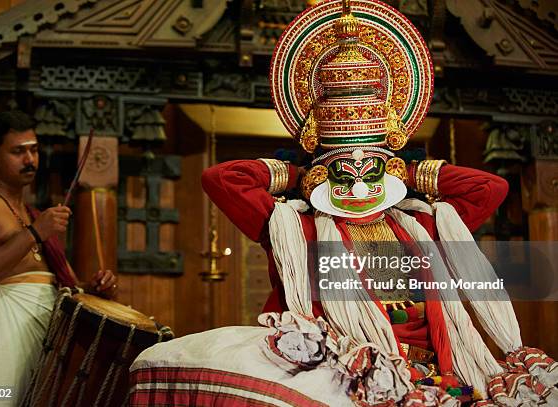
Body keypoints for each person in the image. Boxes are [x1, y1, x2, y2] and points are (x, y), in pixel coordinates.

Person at [131, 1, 557, 406]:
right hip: (340, 383)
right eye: (342, 173)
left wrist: (407, 173)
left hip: (438, 378)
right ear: (324, 175)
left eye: (371, 172)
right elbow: (222, 180)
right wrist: (297, 175)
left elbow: (490, 189)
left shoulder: (426, 226)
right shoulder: (294, 230)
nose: (358, 186)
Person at [0, 110, 117, 405]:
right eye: (18, 152)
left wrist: (91, 290)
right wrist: (34, 234)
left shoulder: (33, 214)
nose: (30, 160)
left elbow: (57, 289)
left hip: (43, 346)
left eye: (34, 150)